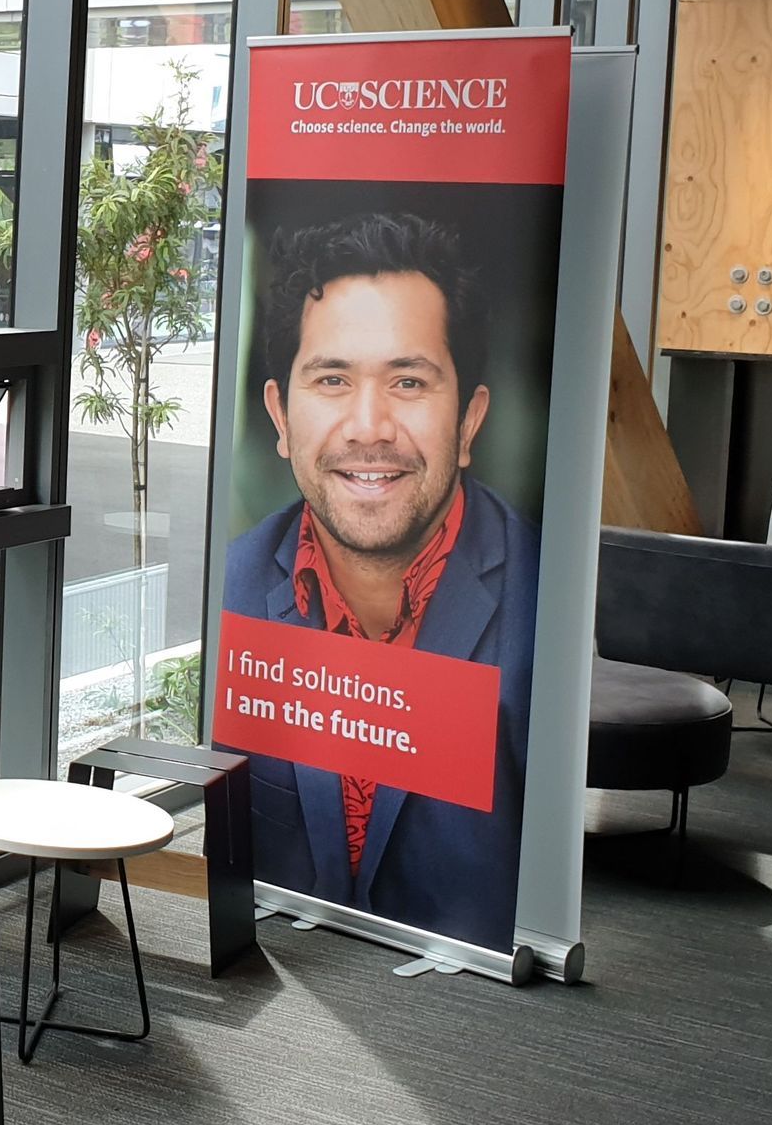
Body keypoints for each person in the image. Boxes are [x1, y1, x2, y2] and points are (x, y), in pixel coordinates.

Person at [219, 210, 535, 952]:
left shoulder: (541, 608)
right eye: (332, 379)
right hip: (283, 989)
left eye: (409, 381)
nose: (369, 425)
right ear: (280, 415)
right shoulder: (227, 594)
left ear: (468, 422)